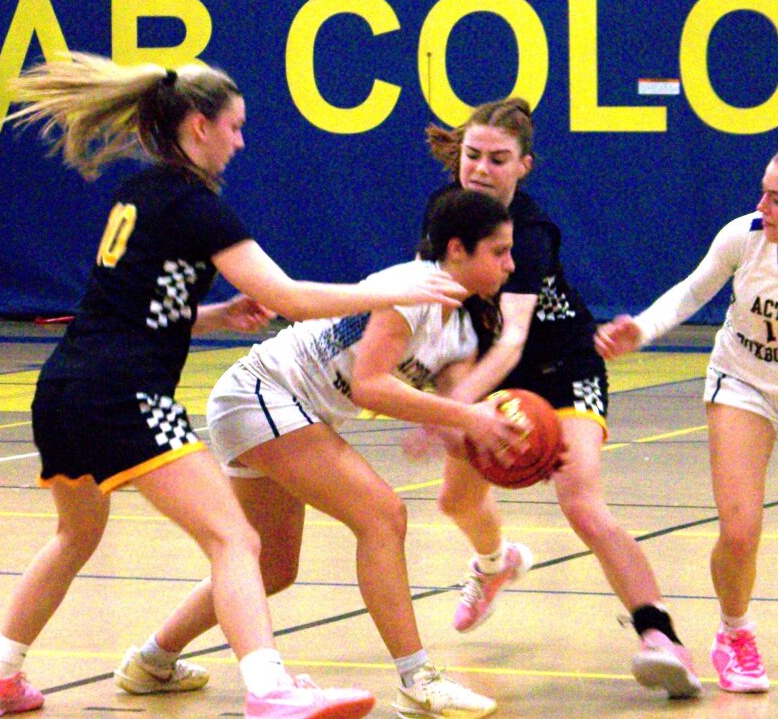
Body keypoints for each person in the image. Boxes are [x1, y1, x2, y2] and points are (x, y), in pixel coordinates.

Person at [0, 53, 471, 719]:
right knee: (237, 541)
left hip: (61, 389)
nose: (240, 141)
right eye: (234, 127)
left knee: (74, 538)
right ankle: (268, 689)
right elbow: (286, 295)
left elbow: (129, 305)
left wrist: (219, 316)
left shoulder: (137, 194)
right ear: (199, 127)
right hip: (125, 395)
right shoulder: (198, 206)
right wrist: (389, 291)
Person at [111, 187, 535, 719]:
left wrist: (508, 444)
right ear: (456, 249)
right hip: (263, 393)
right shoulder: (411, 291)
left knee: (271, 566)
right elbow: (369, 386)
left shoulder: (456, 328)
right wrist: (467, 417)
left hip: (273, 405)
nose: (511, 264)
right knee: (384, 516)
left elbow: (450, 415)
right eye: (499, 251)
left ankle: (151, 661)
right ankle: (417, 680)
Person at [418, 98, 702, 699]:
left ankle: (661, 636)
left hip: (563, 367)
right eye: (473, 155)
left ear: (523, 165)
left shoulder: (533, 231)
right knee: (455, 501)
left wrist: (452, 407)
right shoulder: (444, 213)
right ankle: (495, 566)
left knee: (580, 501)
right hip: (494, 372)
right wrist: (444, 397)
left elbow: (514, 335)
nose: (481, 168)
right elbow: (444, 319)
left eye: (499, 159)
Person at [595, 144, 778, 694]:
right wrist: (642, 330)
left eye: (776, 198)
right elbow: (693, 291)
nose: (761, 205)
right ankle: (734, 634)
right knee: (739, 529)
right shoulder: (743, 235)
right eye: (763, 192)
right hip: (742, 381)